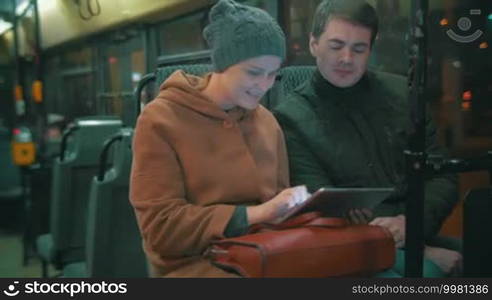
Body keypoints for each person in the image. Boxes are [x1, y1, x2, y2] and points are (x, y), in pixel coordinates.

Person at [273, 0, 462, 277]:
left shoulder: (404, 94)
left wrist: (410, 225)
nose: (347, 58)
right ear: (314, 44)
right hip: (351, 247)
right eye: (336, 46)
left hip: (420, 227)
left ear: (370, 50)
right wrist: (414, 250)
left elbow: (443, 175)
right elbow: (325, 210)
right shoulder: (290, 118)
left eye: (359, 49)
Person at [130, 0, 303, 277]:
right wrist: (254, 215)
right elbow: (160, 228)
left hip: (264, 251)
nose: (264, 85)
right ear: (223, 64)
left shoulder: (267, 122)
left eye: (273, 74)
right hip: (196, 264)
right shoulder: (160, 119)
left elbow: (278, 203)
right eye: (254, 72)